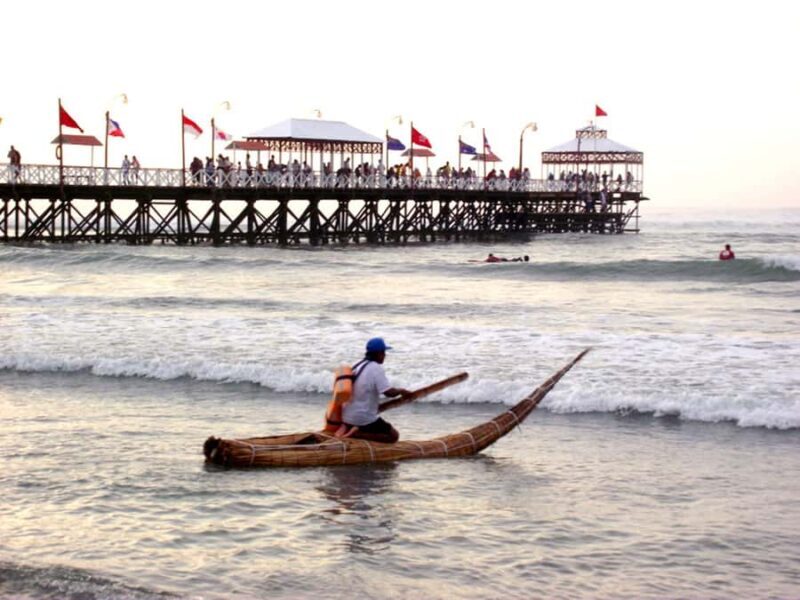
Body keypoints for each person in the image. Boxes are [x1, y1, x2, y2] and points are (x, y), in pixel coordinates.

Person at [340, 337, 411, 443]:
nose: (385, 355)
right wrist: (402, 391)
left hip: (346, 416)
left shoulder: (357, 365)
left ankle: (354, 429)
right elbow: (388, 393)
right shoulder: (376, 368)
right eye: (383, 352)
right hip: (362, 419)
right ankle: (357, 434)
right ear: (378, 354)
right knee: (393, 436)